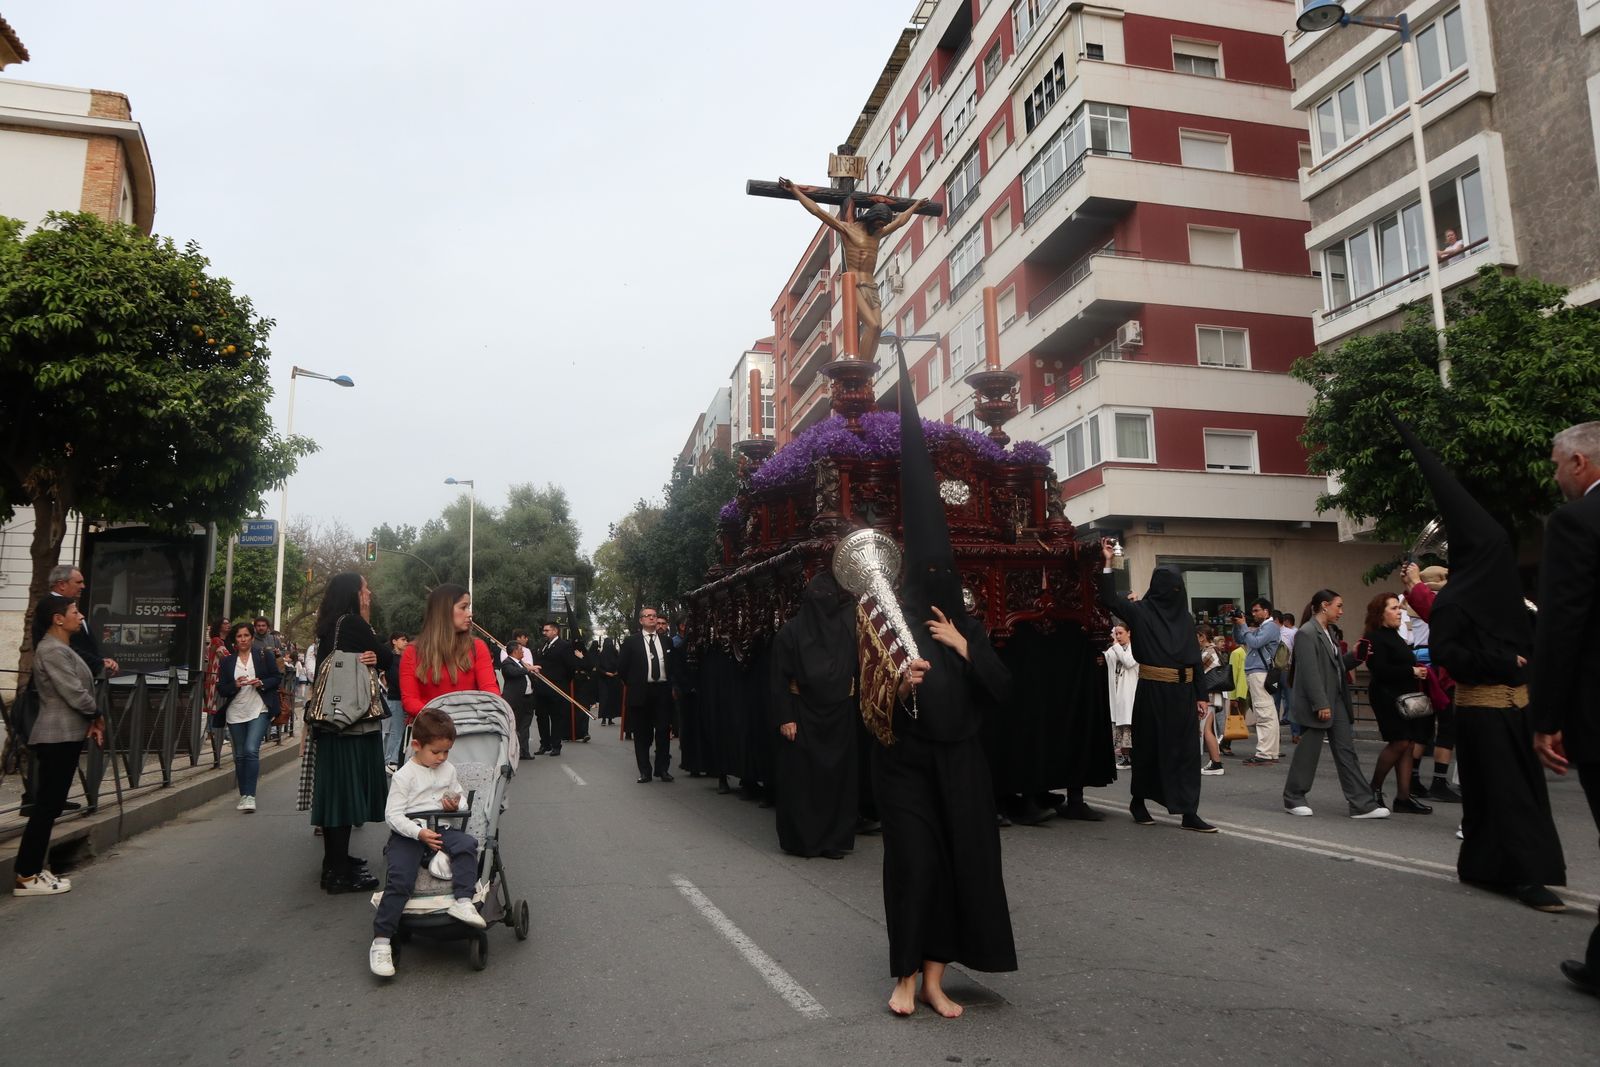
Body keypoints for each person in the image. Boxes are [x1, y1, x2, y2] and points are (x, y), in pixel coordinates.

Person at [867, 342, 1016, 1017]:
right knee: (915, 865)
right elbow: (864, 699)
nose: (938, 588)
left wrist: (965, 644)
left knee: (959, 867)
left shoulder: (969, 623)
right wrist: (898, 685)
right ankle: (902, 975)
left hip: (963, 764)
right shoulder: (887, 621)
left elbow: (1004, 691)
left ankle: (934, 978)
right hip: (905, 764)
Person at [1392, 416, 1565, 911]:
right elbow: (1450, 655)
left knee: (1514, 792)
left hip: (1519, 709)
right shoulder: (1453, 602)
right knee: (1505, 794)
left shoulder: (1508, 600)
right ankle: (1524, 876)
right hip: (1483, 709)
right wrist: (1502, 658)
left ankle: (1485, 865)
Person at [1532, 420, 1600, 990]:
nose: (1554, 477)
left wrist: (1546, 718)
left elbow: (1562, 625)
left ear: (1580, 463)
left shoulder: (1577, 522)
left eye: (1557, 464)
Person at [1096, 543, 1215, 833]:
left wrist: (1201, 695)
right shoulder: (1141, 612)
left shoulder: (1186, 619)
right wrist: (1108, 564)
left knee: (1186, 753)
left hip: (1184, 694)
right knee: (1150, 749)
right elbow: (1109, 598)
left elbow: (1195, 660)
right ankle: (1139, 801)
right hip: (1153, 691)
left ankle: (1189, 811)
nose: (1175, 593)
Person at [368, 707, 486, 978]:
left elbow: (460, 798)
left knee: (467, 845)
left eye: (446, 752)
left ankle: (463, 900)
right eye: (436, 752)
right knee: (400, 878)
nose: (442, 758)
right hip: (411, 834)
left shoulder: (448, 769)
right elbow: (393, 815)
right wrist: (417, 833)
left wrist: (456, 802)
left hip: (441, 827)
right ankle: (382, 940)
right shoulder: (404, 776)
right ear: (416, 746)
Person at [13, 593, 106, 896]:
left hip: (66, 734)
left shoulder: (62, 647)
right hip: (56, 735)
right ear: (57, 618)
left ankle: (35, 869)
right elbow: (73, 690)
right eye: (74, 611)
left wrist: (91, 719)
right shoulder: (51, 650)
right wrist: (95, 714)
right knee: (46, 807)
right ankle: (27, 874)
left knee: (50, 807)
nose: (80, 616)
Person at [302, 572, 389, 895]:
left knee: (337, 792)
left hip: (332, 722)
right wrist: (370, 632)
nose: (369, 592)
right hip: (350, 724)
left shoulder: (331, 625)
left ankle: (335, 862)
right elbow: (388, 657)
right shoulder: (352, 623)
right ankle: (338, 874)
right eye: (365, 588)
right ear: (354, 594)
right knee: (344, 795)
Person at [778, 176, 927, 358]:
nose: (881, 227)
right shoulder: (848, 230)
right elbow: (817, 210)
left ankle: (867, 370)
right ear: (872, 218)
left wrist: (915, 206)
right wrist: (795, 190)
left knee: (878, 328)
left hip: (871, 286)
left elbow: (900, 221)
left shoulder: (878, 234)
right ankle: (863, 367)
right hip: (854, 285)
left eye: (883, 225)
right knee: (872, 325)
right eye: (880, 223)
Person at [770, 572, 859, 859]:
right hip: (801, 714)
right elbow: (778, 680)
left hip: (840, 714)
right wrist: (785, 718)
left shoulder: (846, 627)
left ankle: (833, 840)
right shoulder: (790, 633)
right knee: (803, 780)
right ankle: (804, 840)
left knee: (837, 778)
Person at [1282, 590, 1390, 820]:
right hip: (1320, 702)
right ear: (1324, 605)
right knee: (1308, 752)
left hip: (1336, 700)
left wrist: (1355, 657)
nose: (1341, 611)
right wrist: (1320, 703)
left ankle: (1362, 804)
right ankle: (1294, 797)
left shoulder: (1327, 631)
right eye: (1338, 606)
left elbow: (1337, 667)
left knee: (1346, 751)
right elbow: (1310, 673)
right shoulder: (1306, 633)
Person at [1356, 593, 1433, 815]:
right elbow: (1379, 670)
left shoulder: (1395, 636)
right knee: (1399, 743)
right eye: (1394, 608)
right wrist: (1411, 671)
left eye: (1399, 608)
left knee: (1408, 743)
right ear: (1380, 613)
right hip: (1386, 696)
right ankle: (1372, 790)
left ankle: (1403, 798)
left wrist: (1417, 673)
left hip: (1405, 696)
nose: (1400, 611)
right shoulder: (1374, 637)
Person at [1401, 565, 1462, 802]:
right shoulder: (1438, 603)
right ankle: (1438, 780)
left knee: (1423, 727)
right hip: (1439, 666)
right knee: (1447, 725)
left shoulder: (1411, 602)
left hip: (1420, 663)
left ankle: (1414, 778)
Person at [398, 583, 498, 725]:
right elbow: (409, 700)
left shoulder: (477, 647)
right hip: (430, 734)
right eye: (463, 607)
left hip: (472, 730)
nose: (470, 613)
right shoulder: (412, 652)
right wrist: (442, 720)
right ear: (443, 611)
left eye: (468, 607)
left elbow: (490, 690)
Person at [214, 620, 281, 813]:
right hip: (236, 712)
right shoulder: (227, 662)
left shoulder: (263, 655)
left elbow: (276, 678)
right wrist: (234, 685)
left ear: (252, 638)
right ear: (235, 640)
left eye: (246, 635)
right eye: (239, 636)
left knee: (252, 749)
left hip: (259, 709)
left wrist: (261, 683)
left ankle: (250, 795)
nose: (243, 639)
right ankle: (244, 793)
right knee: (240, 755)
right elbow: (221, 688)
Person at [620, 607, 673, 782]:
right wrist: (635, 683)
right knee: (642, 734)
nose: (652, 618)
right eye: (648, 616)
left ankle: (663, 769)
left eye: (654, 616)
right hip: (640, 692)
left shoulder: (666, 641)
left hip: (662, 691)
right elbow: (622, 669)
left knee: (663, 731)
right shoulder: (631, 642)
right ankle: (645, 771)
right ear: (641, 621)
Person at [1234, 598, 1282, 766]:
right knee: (1267, 712)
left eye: (1256, 610)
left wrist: (1244, 626)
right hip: (1258, 673)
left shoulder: (1270, 628)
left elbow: (1254, 642)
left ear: (1266, 612)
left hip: (1260, 673)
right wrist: (1237, 625)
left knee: (1264, 714)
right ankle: (1271, 752)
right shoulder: (1263, 628)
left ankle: (1265, 753)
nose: (1253, 614)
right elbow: (1241, 640)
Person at [531, 620, 578, 756]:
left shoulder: (564, 646)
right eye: (543, 630)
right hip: (541, 688)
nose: (544, 633)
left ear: (555, 631)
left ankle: (556, 745)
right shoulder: (543, 645)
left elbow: (571, 667)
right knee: (541, 717)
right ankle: (544, 744)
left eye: (547, 630)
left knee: (557, 717)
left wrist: (562, 682)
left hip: (557, 688)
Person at [1105, 622, 1137, 770]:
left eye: (1120, 633)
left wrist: (1116, 646)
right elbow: (1107, 659)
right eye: (1116, 634)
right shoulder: (1114, 649)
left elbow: (1129, 662)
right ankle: (1125, 757)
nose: (1118, 636)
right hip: (1117, 691)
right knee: (1121, 725)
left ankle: (1135, 756)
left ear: (1129, 633)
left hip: (1130, 692)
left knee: (1130, 724)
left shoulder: (1136, 647)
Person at [499, 635, 536, 759]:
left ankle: (524, 752)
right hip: (516, 700)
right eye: (521, 650)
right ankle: (511, 752)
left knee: (525, 726)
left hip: (528, 699)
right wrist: (529, 669)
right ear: (515, 651)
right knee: (515, 727)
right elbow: (513, 673)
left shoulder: (521, 663)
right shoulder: (507, 663)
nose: (523, 652)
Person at [1197, 628, 1225, 776]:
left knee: (1206, 729)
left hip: (1209, 696)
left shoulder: (1208, 653)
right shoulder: (1212, 651)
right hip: (1213, 696)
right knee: (1209, 729)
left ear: (1202, 637)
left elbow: (1196, 671)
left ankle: (1216, 763)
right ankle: (1214, 761)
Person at [381, 632, 409, 770]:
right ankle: (391, 761)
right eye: (403, 640)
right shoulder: (391, 659)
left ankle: (392, 760)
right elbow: (394, 678)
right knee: (396, 732)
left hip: (403, 699)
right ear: (394, 641)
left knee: (400, 732)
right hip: (396, 698)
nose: (406, 642)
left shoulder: (405, 658)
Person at [596, 635, 622, 725]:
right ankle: (604, 718)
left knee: (612, 699)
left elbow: (620, 664)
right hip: (604, 680)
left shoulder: (615, 654)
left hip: (614, 679)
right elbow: (598, 667)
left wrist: (616, 672)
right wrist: (606, 673)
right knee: (605, 699)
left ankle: (610, 719)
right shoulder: (601, 655)